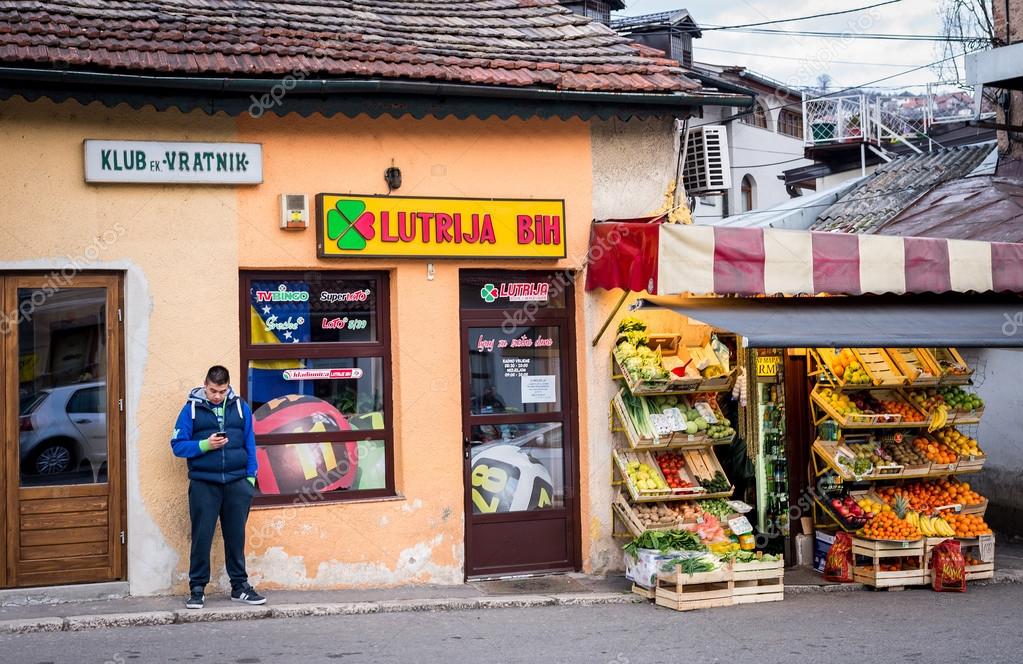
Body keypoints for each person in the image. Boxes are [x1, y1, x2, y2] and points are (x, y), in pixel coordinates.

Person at [171, 365, 266, 609]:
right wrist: (205, 445)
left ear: (228, 387)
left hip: (237, 483)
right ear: (205, 385)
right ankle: (197, 588)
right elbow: (178, 445)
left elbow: (250, 443)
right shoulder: (191, 409)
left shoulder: (240, 407)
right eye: (213, 391)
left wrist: (250, 479)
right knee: (202, 536)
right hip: (204, 483)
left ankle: (240, 587)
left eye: (222, 391)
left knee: (236, 537)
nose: (217, 396)